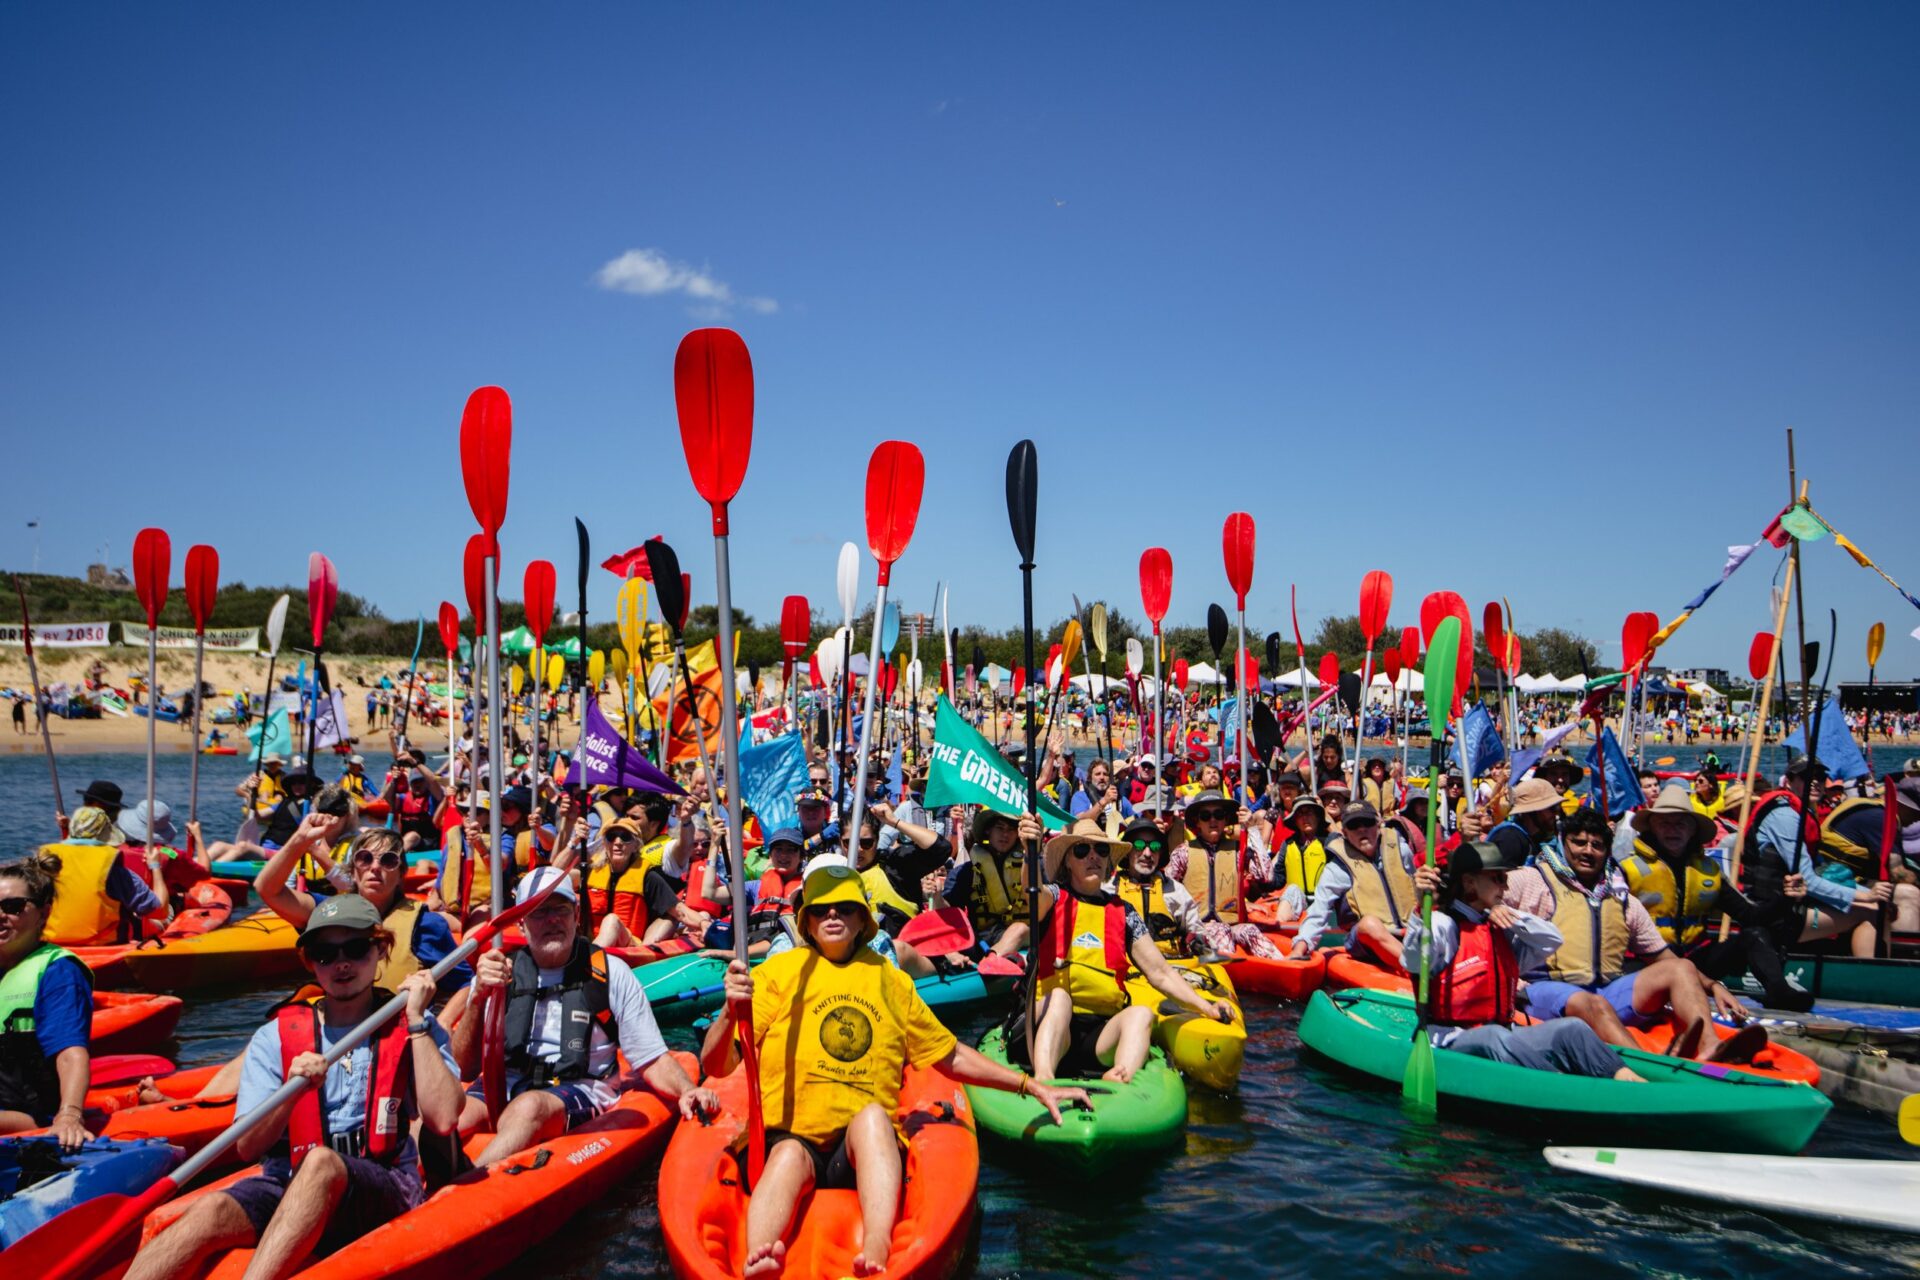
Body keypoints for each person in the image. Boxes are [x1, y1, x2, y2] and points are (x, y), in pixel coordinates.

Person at [703, 862, 1085, 1278]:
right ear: (807, 921)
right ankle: (760, 1254)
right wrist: (728, 1012)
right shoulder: (777, 973)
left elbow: (949, 1055)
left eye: (845, 908)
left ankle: (877, 1243)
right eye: (821, 910)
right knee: (790, 1155)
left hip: (859, 1148)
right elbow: (716, 1065)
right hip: (790, 1133)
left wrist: (1030, 1086)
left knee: (870, 1119)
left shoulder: (890, 979)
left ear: (862, 919)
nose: (833, 916)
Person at [123, 896, 463, 1280]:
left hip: (382, 1183)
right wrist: (291, 1093)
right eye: (325, 954)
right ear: (308, 962)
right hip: (287, 1179)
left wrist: (418, 1021)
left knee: (321, 1163)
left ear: (381, 949)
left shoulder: (411, 1022)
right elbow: (248, 1147)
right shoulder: (274, 1038)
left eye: (355, 948)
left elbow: (444, 1118)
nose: (342, 964)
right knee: (208, 1209)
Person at [453, 869, 716, 1167]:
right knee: (450, 1111)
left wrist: (688, 1090)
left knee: (529, 1107)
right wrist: (477, 998)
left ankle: (463, 1188)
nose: (552, 919)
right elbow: (464, 1068)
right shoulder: (499, 971)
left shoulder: (609, 971)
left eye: (560, 909)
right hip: (510, 1080)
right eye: (539, 912)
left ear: (576, 914)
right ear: (522, 923)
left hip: (581, 1085)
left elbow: (651, 1057)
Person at [1500, 813, 1763, 1063]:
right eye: (1578, 842)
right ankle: (1649, 1066)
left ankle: (1709, 1046)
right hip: (1545, 990)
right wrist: (1494, 905)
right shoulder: (1533, 880)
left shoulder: (1621, 897)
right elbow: (1477, 889)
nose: (1588, 851)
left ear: (1607, 851)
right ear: (1562, 842)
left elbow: (1664, 957)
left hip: (1606, 991)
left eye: (1597, 845)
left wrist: (1714, 986)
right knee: (1593, 1003)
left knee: (1681, 967)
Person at [1015, 818, 1235, 1084]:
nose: (1093, 857)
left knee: (1142, 1013)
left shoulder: (1124, 913)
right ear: (1067, 862)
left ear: (1109, 862)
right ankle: (1045, 1079)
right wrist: (1030, 852)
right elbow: (1032, 894)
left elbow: (1160, 973)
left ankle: (1121, 1078)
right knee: (1060, 998)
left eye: (1101, 851)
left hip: (1097, 1034)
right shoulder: (1053, 897)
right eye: (1082, 851)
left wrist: (1206, 1007)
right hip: (1045, 1023)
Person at [1402, 841, 1645, 1081]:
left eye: (1505, 879)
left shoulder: (1498, 928)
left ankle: (1629, 1080)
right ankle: (1563, 1087)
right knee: (1494, 1037)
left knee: (1572, 1028)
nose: (1505, 887)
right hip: (1449, 1040)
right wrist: (1420, 912)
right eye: (1497, 878)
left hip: (1504, 1035)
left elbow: (1551, 939)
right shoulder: (1442, 924)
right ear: (1469, 882)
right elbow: (1413, 962)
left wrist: (1511, 916)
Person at [1618, 784, 1810, 1011]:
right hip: (1646, 962)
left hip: (1697, 963)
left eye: (1681, 823)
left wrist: (1786, 898)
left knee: (1755, 935)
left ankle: (1779, 992)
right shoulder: (1627, 870)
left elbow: (1751, 916)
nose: (1673, 830)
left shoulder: (1709, 870)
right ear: (1652, 827)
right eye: (1665, 823)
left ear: (1692, 831)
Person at [256, 825, 470, 996]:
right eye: (365, 858)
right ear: (353, 869)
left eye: (388, 860)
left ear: (401, 874)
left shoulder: (426, 925)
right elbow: (267, 890)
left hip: (397, 1033)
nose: (375, 867)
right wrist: (299, 841)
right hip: (345, 1027)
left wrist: (442, 1022)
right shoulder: (328, 913)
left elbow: (466, 984)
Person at [1743, 757, 1893, 957]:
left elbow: (1818, 871)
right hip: (1773, 913)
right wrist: (1866, 896)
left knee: (1880, 906)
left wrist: (1871, 894)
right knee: (1873, 912)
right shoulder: (1785, 817)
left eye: (1820, 777)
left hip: (1796, 903)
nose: (1815, 782)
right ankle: (1872, 978)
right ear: (1789, 781)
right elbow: (1809, 881)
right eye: (1806, 776)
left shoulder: (1802, 813)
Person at [0, 853, 95, 1147]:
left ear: (43, 912)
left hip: (27, 1116)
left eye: (13, 907)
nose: (1, 915)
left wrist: (69, 1115)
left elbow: (70, 1054)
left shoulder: (57, 971)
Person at [1288, 802, 1418, 968]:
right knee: (1369, 924)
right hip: (1365, 942)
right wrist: (1299, 949)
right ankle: (1419, 974)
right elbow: (1318, 913)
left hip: (1407, 933)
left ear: (1378, 825)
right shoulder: (1337, 869)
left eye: (1367, 823)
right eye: (1354, 825)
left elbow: (1415, 890)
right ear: (1345, 833)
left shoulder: (1401, 850)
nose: (1362, 829)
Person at [1166, 790, 1282, 958]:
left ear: (1226, 819)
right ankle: (1226, 973)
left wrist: (1252, 830)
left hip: (1232, 923)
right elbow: (1167, 888)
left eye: (1218, 815)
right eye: (1206, 816)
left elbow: (1267, 876)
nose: (1213, 820)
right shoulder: (1183, 852)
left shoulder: (1238, 850)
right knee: (1219, 929)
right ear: (1197, 822)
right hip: (1197, 927)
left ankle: (1280, 967)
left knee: (1250, 930)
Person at [35, 807, 162, 946]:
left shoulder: (44, 861)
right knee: (152, 922)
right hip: (102, 945)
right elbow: (158, 910)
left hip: (48, 943)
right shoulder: (113, 869)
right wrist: (155, 866)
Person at [1106, 816, 1207, 956]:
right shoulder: (1109, 888)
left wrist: (1197, 941)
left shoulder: (1175, 890)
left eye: (1155, 847)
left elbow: (1195, 929)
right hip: (1124, 967)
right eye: (1139, 845)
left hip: (1170, 967)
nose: (1147, 854)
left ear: (1160, 853)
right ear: (1127, 851)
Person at [852, 801, 953, 935]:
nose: (858, 849)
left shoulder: (895, 865)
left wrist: (894, 821)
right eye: (849, 842)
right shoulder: (834, 871)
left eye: (866, 843)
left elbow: (941, 849)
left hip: (902, 948)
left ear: (877, 840)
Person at [945, 808, 1033, 957]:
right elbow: (948, 910)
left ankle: (995, 959)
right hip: (982, 940)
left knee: (1020, 929)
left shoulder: (1031, 865)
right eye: (1000, 828)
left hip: (1023, 937)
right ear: (988, 831)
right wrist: (935, 894)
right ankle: (991, 963)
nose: (1005, 835)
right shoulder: (966, 871)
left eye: (1011, 829)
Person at [1264, 795, 1331, 923]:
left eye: (1309, 813)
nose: (1305, 817)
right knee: (1292, 889)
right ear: (1295, 820)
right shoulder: (1288, 844)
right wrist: (1264, 879)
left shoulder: (1329, 842)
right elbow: (1278, 880)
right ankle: (1281, 928)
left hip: (1324, 899)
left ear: (1317, 817)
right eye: (1300, 814)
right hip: (1299, 900)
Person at [1069, 758, 1134, 824]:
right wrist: (1104, 801)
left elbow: (1135, 817)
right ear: (1090, 777)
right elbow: (1079, 820)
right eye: (1097, 774)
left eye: (1105, 774)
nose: (1102, 777)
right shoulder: (1080, 797)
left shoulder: (1119, 799)